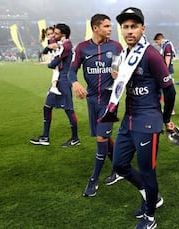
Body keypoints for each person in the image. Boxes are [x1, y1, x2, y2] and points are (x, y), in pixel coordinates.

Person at [111, 7, 176, 229]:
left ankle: (149, 218)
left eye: (134, 27)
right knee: (119, 164)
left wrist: (166, 119)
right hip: (128, 120)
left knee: (147, 171)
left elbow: (170, 90)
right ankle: (151, 197)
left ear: (142, 28)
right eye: (125, 27)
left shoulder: (150, 55)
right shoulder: (125, 54)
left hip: (147, 122)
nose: (129, 31)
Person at [68, 14, 124, 197]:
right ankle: (120, 168)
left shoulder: (116, 46)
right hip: (92, 100)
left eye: (110, 26)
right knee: (104, 138)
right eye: (106, 26)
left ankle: (93, 180)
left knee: (101, 139)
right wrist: (75, 83)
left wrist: (120, 74)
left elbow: (123, 70)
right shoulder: (83, 48)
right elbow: (71, 71)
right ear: (95, 28)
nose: (110, 29)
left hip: (110, 101)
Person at [30, 23, 80, 147]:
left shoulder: (66, 46)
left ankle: (75, 139)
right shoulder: (64, 44)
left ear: (63, 34)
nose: (54, 35)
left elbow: (52, 64)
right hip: (60, 80)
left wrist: (51, 59)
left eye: (56, 33)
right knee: (47, 107)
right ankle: (45, 137)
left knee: (68, 109)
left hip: (63, 81)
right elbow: (50, 46)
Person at [153, 32, 176, 115]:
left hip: (167, 71)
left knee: (168, 91)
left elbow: (167, 59)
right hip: (166, 71)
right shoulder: (165, 45)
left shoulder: (167, 45)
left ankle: (171, 110)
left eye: (157, 42)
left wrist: (164, 71)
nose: (157, 44)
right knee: (165, 91)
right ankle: (169, 109)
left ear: (160, 39)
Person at [40, 26, 62, 95]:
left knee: (57, 74)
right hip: (55, 59)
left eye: (52, 33)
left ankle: (51, 89)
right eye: (48, 34)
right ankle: (53, 87)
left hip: (55, 58)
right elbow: (56, 46)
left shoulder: (51, 40)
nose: (51, 36)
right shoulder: (52, 41)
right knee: (56, 73)